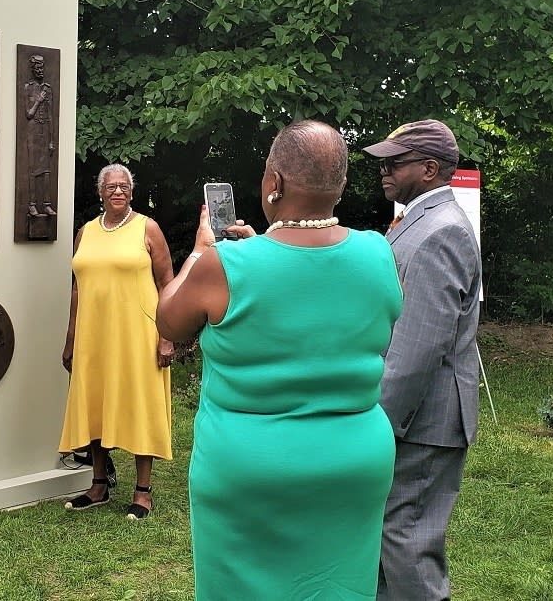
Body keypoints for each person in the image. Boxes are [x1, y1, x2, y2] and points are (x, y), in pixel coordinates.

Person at [156, 120, 403, 599]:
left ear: (274, 184)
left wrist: (200, 252)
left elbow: (170, 321)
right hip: (354, 462)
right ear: (341, 185)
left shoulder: (224, 264)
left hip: (251, 468)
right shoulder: (378, 252)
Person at [363, 119, 482, 600]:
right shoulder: (419, 220)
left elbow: (418, 349)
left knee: (407, 543)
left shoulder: (440, 232)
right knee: (392, 542)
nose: (384, 169)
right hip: (418, 419)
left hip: (422, 422)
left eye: (395, 161)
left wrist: (376, 426)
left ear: (430, 168)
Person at [58, 164, 175, 520]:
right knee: (93, 403)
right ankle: (98, 484)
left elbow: (167, 282)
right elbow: (78, 287)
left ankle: (143, 491)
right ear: (100, 192)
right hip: (94, 335)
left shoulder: (147, 228)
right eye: (111, 186)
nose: (118, 191)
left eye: (124, 186)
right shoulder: (86, 232)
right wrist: (71, 337)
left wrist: (167, 335)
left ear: (132, 192)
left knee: (140, 402)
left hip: (137, 333)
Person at [24, 54, 56, 218]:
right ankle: (32, 205)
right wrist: (38, 100)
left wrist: (51, 140)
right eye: (37, 68)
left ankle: (47, 204)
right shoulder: (28, 88)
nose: (40, 71)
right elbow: (28, 114)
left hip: (44, 132)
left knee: (46, 171)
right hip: (33, 132)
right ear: (32, 69)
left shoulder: (48, 89)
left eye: (42, 68)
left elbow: (51, 116)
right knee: (33, 170)